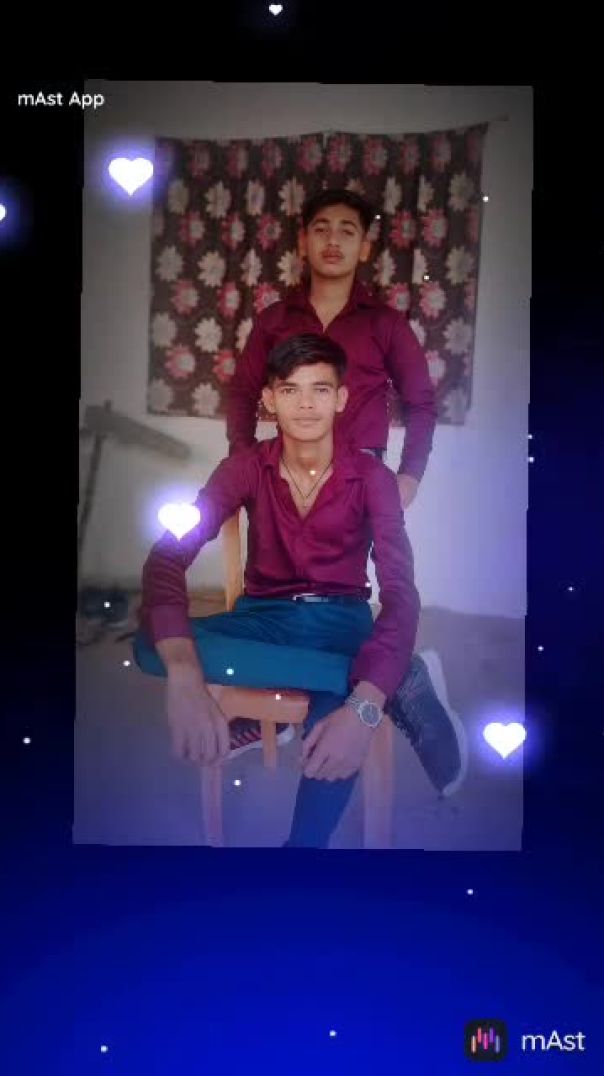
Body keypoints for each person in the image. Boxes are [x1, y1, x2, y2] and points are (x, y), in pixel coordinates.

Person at [135, 335, 452, 848]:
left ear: (341, 398)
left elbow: (401, 592)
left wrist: (360, 710)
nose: (305, 404)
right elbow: (167, 556)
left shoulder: (373, 478)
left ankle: (299, 856)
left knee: (336, 722)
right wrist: (186, 676)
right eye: (290, 390)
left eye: (320, 389)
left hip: (341, 619)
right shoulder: (243, 467)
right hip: (263, 618)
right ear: (269, 399)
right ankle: (392, 675)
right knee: (152, 643)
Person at [226, 186, 467, 795]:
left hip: (360, 475)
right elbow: (242, 393)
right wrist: (244, 464)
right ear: (303, 241)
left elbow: (421, 402)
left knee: (338, 597)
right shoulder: (274, 320)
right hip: (286, 468)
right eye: (321, 228)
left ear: (365, 247)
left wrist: (408, 475)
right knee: (276, 585)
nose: (333, 240)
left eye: (348, 230)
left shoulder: (385, 324)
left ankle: (390, 680)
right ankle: (286, 695)